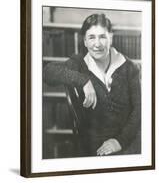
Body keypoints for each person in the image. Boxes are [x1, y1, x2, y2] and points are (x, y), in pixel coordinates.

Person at [43, 13, 141, 157]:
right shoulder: (79, 63)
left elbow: (139, 110)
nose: (97, 44)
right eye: (91, 37)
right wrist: (83, 80)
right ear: (84, 41)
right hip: (94, 146)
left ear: (111, 38)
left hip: (128, 142)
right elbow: (48, 72)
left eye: (102, 37)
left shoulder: (130, 67)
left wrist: (119, 141)